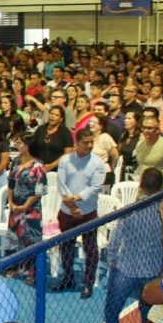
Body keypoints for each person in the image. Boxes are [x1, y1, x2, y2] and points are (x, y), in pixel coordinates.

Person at [95, 168, 163, 323]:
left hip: (126, 268)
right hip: (151, 270)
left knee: (112, 311)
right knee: (149, 315)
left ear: (141, 185)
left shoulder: (131, 209)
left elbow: (114, 240)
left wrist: (113, 263)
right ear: (160, 187)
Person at [54, 127, 105, 299]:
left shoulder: (98, 163)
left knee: (90, 249)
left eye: (92, 142)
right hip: (67, 211)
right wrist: (73, 207)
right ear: (76, 143)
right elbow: (61, 185)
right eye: (85, 143)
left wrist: (77, 198)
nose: (89, 145)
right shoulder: (65, 161)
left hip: (88, 212)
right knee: (66, 247)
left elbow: (96, 187)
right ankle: (67, 278)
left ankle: (88, 283)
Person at [6, 132, 46, 283]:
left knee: (31, 240)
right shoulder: (16, 162)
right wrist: (11, 202)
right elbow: (10, 183)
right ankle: (14, 267)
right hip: (15, 207)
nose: (17, 145)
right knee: (14, 239)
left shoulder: (38, 166)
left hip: (31, 211)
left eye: (20, 143)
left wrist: (24, 206)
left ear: (28, 146)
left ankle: (32, 273)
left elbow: (39, 191)